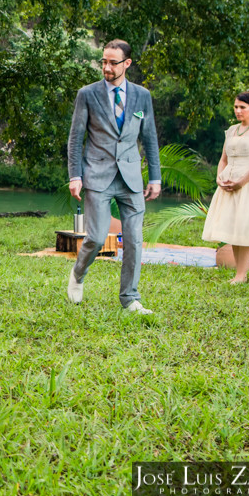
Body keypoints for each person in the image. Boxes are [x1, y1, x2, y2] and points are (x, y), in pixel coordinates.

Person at [67, 39, 161, 314]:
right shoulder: (87, 94)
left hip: (131, 176)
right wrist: (75, 175)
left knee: (133, 239)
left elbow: (150, 138)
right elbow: (75, 139)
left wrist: (154, 177)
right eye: (104, 62)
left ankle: (130, 299)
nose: (107, 67)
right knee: (95, 237)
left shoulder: (142, 96)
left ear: (127, 64)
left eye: (113, 63)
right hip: (97, 174)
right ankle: (78, 275)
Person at [202, 92, 249, 283]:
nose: (238, 111)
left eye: (242, 107)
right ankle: (239, 273)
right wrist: (220, 177)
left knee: (245, 230)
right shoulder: (231, 130)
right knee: (234, 229)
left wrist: (241, 182)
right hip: (229, 183)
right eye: (236, 107)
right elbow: (223, 159)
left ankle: (241, 274)